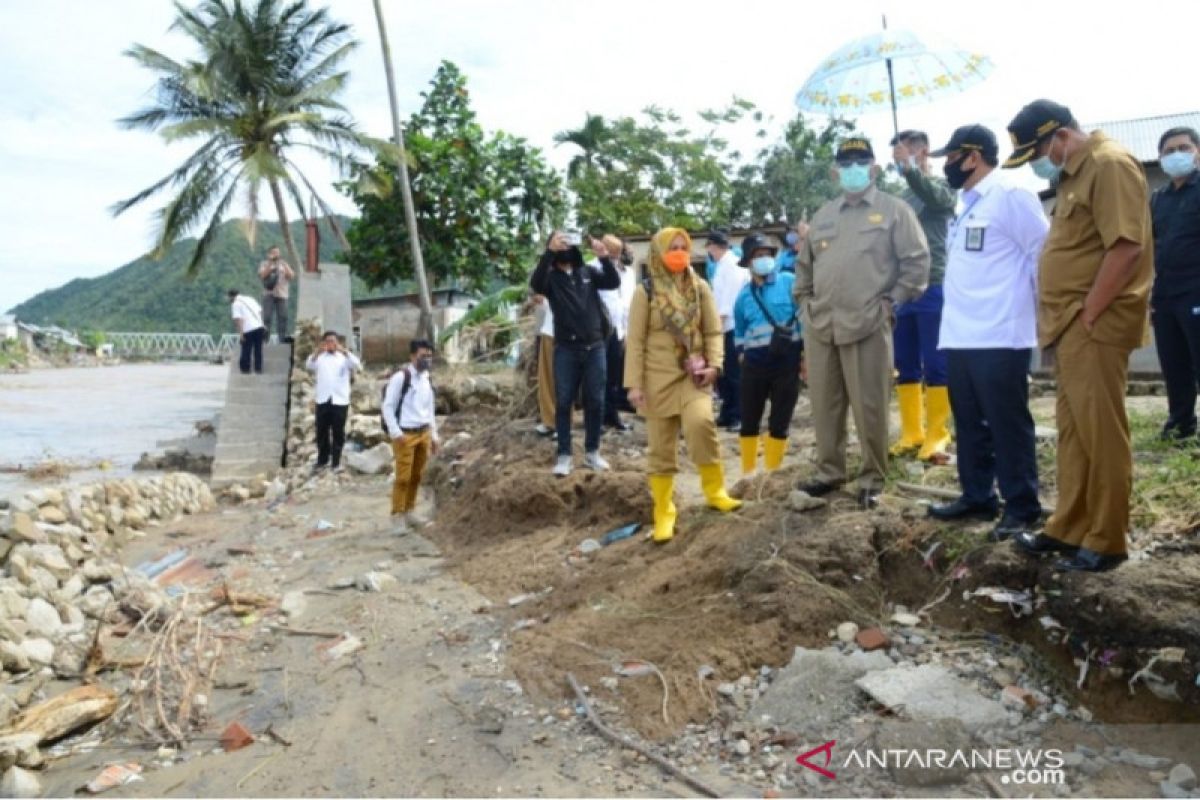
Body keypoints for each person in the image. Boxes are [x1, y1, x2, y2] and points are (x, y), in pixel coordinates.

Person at [1003, 99, 1154, 572]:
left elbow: (1126, 246)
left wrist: (1090, 312)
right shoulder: (1074, 174)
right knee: (1074, 433)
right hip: (1070, 325)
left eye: (1040, 152)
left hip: (1094, 322)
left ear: (1061, 137)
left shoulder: (1109, 166)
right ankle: (1069, 526)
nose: (1041, 162)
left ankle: (1107, 538)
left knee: (1101, 433)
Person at [793, 137, 930, 509]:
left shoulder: (894, 210)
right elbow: (804, 269)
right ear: (835, 171)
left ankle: (873, 475)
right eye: (845, 162)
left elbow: (917, 263)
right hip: (822, 325)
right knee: (824, 404)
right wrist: (805, 303)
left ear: (873, 168)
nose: (852, 168)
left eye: (860, 161)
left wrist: (893, 303)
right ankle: (829, 471)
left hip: (868, 322)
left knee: (870, 404)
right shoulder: (823, 216)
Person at [925, 125, 1048, 541]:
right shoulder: (965, 205)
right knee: (969, 423)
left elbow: (1041, 255)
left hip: (1000, 333)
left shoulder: (1011, 196)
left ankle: (1022, 505)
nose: (947, 166)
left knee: (1006, 422)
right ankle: (978, 495)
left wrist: (1041, 318)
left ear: (972, 157)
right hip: (961, 335)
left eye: (951, 157)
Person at [626, 227, 742, 543]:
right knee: (661, 449)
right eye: (672, 247)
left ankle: (716, 491)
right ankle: (664, 512)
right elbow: (635, 342)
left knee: (701, 423)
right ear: (658, 252)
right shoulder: (645, 292)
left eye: (683, 247)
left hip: (693, 375)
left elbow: (714, 331)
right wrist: (634, 385)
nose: (679, 253)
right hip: (656, 380)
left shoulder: (699, 286)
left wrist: (716, 365)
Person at [889, 130, 957, 461]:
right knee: (905, 361)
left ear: (924, 152)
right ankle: (912, 432)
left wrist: (912, 170)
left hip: (934, 283)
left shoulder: (942, 186)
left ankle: (938, 432)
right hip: (904, 287)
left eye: (908, 151)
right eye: (898, 154)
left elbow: (936, 199)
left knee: (935, 361)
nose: (901, 157)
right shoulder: (901, 196)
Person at [529, 232, 621, 476]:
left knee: (596, 399)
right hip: (566, 349)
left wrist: (603, 257)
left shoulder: (588, 273)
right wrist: (549, 251)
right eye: (562, 243)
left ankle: (592, 452)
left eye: (569, 242)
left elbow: (613, 282)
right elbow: (536, 284)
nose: (566, 247)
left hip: (595, 347)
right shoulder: (550, 279)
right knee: (564, 400)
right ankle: (564, 455)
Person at [733, 233, 804, 475]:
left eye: (767, 255)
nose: (764, 259)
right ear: (748, 262)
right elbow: (739, 330)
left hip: (787, 359)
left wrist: (804, 356)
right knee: (749, 417)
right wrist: (742, 353)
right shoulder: (743, 295)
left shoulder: (789, 282)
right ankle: (748, 473)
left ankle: (773, 471)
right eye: (758, 256)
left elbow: (803, 316)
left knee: (781, 418)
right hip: (754, 363)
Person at [1149, 126, 1200, 443]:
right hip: (1166, 293)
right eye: (1168, 152)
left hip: (1197, 288)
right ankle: (1181, 422)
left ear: (1197, 151)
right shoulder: (1158, 198)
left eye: (1183, 148)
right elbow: (1150, 244)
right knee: (1173, 361)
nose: (1176, 155)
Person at [383, 339, 439, 533]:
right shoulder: (401, 377)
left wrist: (434, 435)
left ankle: (410, 510)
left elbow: (430, 408)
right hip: (405, 434)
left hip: (424, 432)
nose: (427, 359)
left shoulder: (426, 378)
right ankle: (397, 514)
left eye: (430, 356)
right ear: (413, 356)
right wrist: (396, 433)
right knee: (403, 478)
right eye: (423, 356)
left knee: (417, 476)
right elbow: (388, 406)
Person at [707, 230, 749, 431]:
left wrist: (715, 323)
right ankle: (727, 411)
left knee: (734, 374)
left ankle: (738, 415)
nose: (709, 251)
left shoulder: (731, 265)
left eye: (709, 247)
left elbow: (729, 300)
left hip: (731, 325)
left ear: (715, 246)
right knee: (724, 374)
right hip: (722, 326)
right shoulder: (721, 265)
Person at [596, 234, 638, 431]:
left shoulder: (628, 273)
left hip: (620, 330)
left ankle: (613, 416)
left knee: (615, 376)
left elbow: (628, 303)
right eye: (611, 253)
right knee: (599, 376)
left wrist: (628, 331)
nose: (615, 257)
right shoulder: (593, 268)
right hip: (600, 329)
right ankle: (598, 418)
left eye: (617, 253)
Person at [306, 330, 361, 473]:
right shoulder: (320, 358)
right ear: (324, 343)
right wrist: (318, 351)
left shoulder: (343, 358)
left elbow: (356, 364)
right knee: (321, 431)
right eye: (328, 341)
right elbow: (309, 365)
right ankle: (322, 459)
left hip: (340, 400)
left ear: (337, 343)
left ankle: (336, 462)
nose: (331, 344)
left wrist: (345, 351)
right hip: (323, 399)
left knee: (338, 432)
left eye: (333, 341)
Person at [531, 294, 557, 438]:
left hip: (568, 333)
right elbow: (536, 295)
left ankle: (563, 424)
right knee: (546, 379)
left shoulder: (579, 274)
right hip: (548, 330)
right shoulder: (547, 273)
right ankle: (549, 421)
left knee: (565, 380)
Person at [257, 246, 295, 342]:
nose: (276, 254)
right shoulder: (264, 264)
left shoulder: (284, 264)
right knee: (267, 318)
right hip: (269, 294)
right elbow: (262, 275)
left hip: (282, 294)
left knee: (282, 318)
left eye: (277, 252)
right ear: (269, 254)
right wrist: (270, 264)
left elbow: (291, 276)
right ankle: (265, 340)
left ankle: (281, 340)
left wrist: (283, 264)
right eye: (273, 252)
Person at [228, 289, 266, 375]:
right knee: (258, 349)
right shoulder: (250, 299)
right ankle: (258, 369)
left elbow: (238, 320)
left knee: (246, 349)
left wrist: (241, 334)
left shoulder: (236, 304)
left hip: (248, 329)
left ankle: (245, 369)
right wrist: (262, 324)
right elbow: (259, 312)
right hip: (259, 326)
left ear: (231, 296)